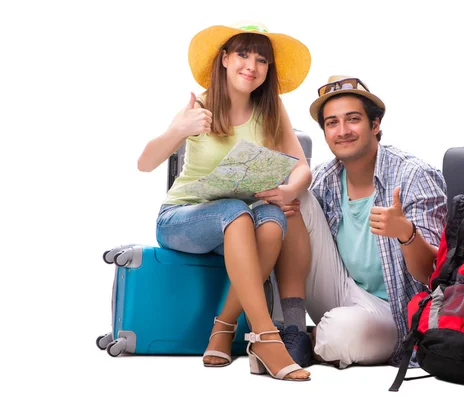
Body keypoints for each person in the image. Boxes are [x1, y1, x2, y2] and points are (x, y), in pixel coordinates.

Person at [136, 22, 312, 381]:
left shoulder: (271, 109)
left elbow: (302, 166)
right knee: (238, 212)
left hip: (238, 226)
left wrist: (290, 190)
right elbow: (145, 163)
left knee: (272, 219)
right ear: (225, 60)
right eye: (243, 55)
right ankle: (265, 336)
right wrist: (179, 130)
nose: (252, 65)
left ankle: (224, 326)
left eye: (261, 60)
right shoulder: (198, 106)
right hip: (182, 221)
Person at [276, 75, 447, 369]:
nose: (342, 131)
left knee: (339, 335)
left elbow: (433, 274)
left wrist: (406, 233)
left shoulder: (414, 176)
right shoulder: (324, 178)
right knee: (295, 197)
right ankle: (291, 329)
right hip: (343, 289)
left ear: (375, 124)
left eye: (352, 119)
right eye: (332, 123)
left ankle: (312, 337)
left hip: (393, 311)